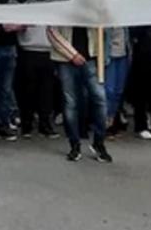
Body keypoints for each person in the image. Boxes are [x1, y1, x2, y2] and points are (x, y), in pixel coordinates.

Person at [48, 26, 112, 162]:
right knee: (70, 102)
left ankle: (99, 143)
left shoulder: (93, 8)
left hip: (90, 57)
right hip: (65, 60)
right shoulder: (61, 6)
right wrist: (72, 55)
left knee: (100, 99)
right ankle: (74, 145)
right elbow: (52, 31)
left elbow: (104, 27)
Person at [16, 25, 57, 139]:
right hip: (28, 49)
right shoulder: (26, 7)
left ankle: (45, 124)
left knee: (47, 91)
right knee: (28, 90)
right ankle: (26, 124)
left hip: (49, 50)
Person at [104, 27, 132, 137]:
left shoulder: (124, 19)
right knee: (109, 90)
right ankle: (105, 121)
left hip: (123, 56)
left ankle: (112, 120)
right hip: (109, 55)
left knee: (119, 91)